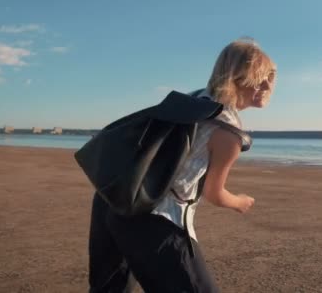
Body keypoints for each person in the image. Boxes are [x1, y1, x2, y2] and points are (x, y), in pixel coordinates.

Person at [88, 38, 277, 292]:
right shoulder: (229, 132)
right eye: (259, 77)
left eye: (271, 77)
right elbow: (215, 193)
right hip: (155, 218)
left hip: (113, 199)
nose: (267, 85)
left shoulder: (195, 99)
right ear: (237, 78)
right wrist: (239, 201)